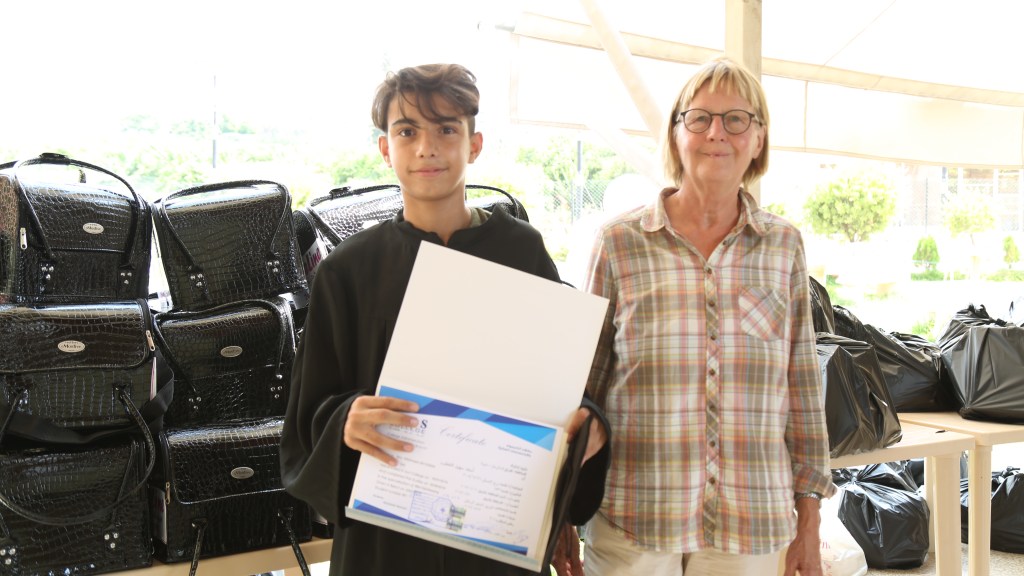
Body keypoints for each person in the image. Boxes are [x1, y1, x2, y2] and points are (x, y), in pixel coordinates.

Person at [280, 63, 609, 576]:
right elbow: (307, 416)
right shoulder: (348, 270)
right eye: (407, 131)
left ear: (474, 145)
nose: (426, 148)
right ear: (385, 149)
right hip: (385, 545)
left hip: (496, 539)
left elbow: (558, 389)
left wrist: (590, 428)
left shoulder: (521, 251)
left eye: (446, 130)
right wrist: (346, 421)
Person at [581, 56, 836, 576]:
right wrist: (563, 510)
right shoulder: (619, 243)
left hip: (751, 521)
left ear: (758, 140)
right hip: (634, 517)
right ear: (676, 135)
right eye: (699, 118)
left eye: (737, 119)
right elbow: (584, 385)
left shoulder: (782, 245)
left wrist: (809, 520)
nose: (717, 133)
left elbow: (803, 388)